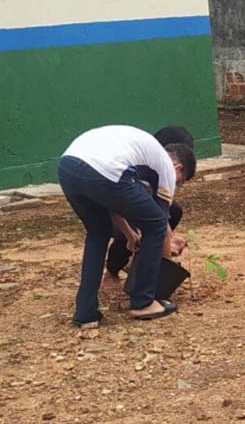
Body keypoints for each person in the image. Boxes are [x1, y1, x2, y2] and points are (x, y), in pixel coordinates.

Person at [59, 125, 196, 325]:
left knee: (98, 233)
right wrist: (163, 273)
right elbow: (161, 226)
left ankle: (85, 313)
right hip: (101, 169)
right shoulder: (166, 167)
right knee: (156, 224)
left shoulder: (139, 161)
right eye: (181, 181)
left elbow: (111, 204)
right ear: (179, 168)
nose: (177, 185)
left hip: (68, 166)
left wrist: (131, 235)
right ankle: (143, 302)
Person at [101, 126, 194, 296]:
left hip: (128, 201)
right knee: (133, 230)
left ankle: (143, 264)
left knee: (173, 210)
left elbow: (162, 212)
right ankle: (114, 270)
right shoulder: (140, 164)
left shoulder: (159, 172)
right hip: (110, 205)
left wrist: (168, 238)